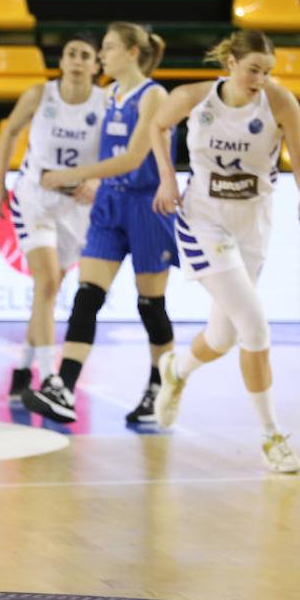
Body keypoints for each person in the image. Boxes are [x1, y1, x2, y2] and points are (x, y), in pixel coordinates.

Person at [149, 30, 300, 473]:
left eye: (267, 72)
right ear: (231, 64)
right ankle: (272, 437)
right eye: (253, 70)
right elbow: (157, 125)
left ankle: (177, 370)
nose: (260, 79)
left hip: (253, 223)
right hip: (204, 221)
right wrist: (167, 177)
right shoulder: (193, 98)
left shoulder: (280, 103)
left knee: (222, 337)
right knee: (254, 326)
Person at [23, 22, 176, 425]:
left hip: (146, 205)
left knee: (150, 306)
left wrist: (73, 175)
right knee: (87, 296)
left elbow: (131, 158)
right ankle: (64, 388)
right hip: (110, 204)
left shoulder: (154, 95)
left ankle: (160, 389)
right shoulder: (110, 95)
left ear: (131, 53)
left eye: (108, 48)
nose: (102, 56)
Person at [0, 35, 106, 403]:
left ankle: (22, 369)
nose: (77, 60)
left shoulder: (105, 102)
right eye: (71, 53)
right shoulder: (40, 95)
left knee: (51, 290)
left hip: (77, 207)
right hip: (35, 199)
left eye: (85, 55)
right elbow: (10, 133)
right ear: (62, 61)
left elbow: (116, 153)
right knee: (46, 283)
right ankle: (49, 377)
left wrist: (95, 180)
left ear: (96, 66)